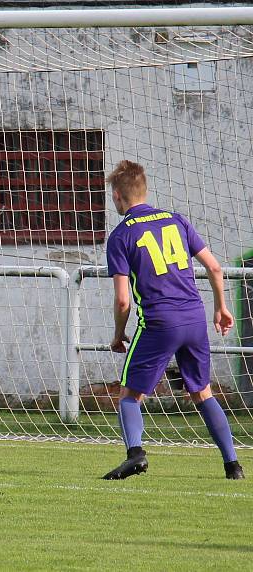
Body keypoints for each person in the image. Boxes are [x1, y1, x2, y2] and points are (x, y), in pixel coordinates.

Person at [102, 160, 243, 480]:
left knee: (129, 394)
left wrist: (118, 333)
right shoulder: (176, 220)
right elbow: (215, 268)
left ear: (118, 196)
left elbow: (123, 299)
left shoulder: (121, 234)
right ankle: (233, 465)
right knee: (202, 392)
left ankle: (135, 454)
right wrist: (221, 307)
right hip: (194, 318)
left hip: (160, 321)